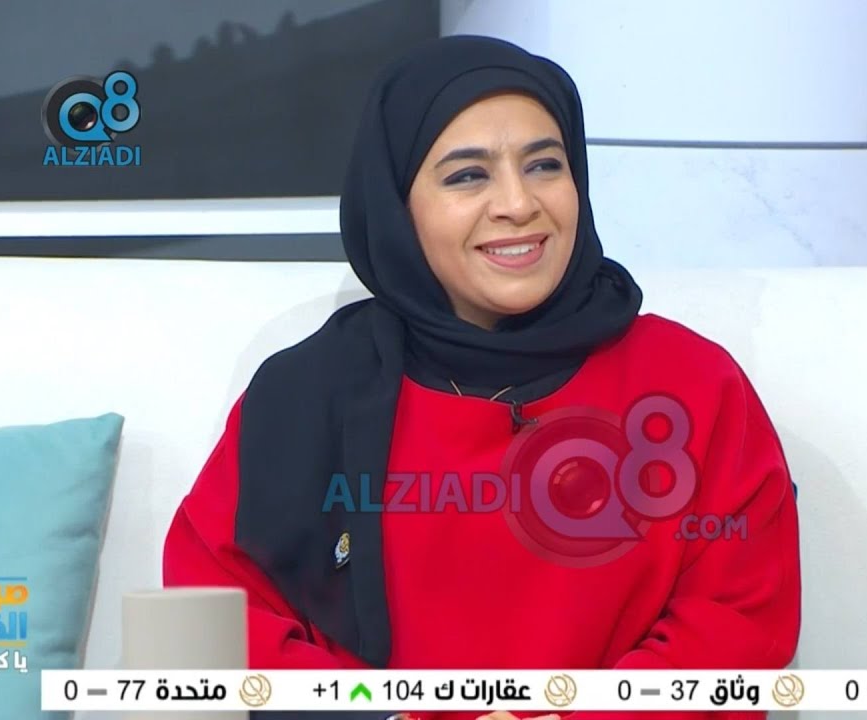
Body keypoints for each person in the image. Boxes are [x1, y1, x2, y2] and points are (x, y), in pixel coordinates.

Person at [162, 35, 801, 720]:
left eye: (545, 165)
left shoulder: (691, 384)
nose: (518, 204)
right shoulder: (306, 393)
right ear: (397, 205)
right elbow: (212, 611)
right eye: (468, 176)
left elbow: (738, 616)